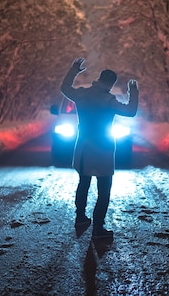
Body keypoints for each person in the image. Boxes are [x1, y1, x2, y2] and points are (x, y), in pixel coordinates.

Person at [60, 57, 139, 239]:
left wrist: (74, 70)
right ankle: (98, 228)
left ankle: (80, 218)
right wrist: (133, 92)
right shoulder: (109, 101)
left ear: (99, 78)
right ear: (111, 84)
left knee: (83, 183)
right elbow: (131, 111)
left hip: (84, 147)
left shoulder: (82, 94)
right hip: (103, 148)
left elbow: (64, 89)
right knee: (104, 190)